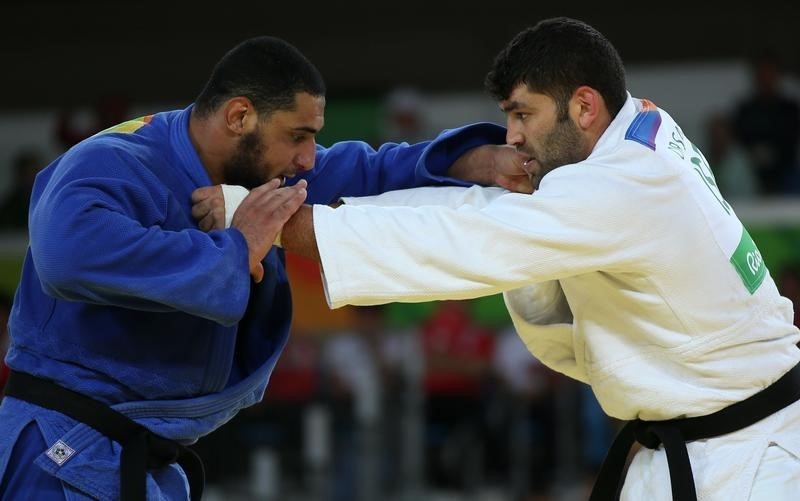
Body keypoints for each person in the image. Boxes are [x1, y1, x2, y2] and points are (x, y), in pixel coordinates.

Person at [200, 18, 800, 500]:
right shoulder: (640, 126)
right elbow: (483, 212)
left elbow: (468, 238)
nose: (510, 136)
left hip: (746, 463)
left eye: (523, 115)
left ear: (584, 108)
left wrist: (270, 222)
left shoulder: (622, 185)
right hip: (691, 445)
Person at [0, 36, 531, 500]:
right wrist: (236, 248)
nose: (307, 158)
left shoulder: (251, 170)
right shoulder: (111, 160)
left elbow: (363, 168)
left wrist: (475, 161)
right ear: (238, 117)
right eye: (297, 136)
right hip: (61, 453)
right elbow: (66, 254)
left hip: (133, 458)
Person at [732, 49, 800, 196]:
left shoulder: (790, 108)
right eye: (762, 74)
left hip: (786, 171)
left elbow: (791, 140)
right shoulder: (745, 109)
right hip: (750, 171)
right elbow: (738, 139)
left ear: (778, 75)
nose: (766, 78)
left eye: (770, 73)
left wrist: (772, 153)